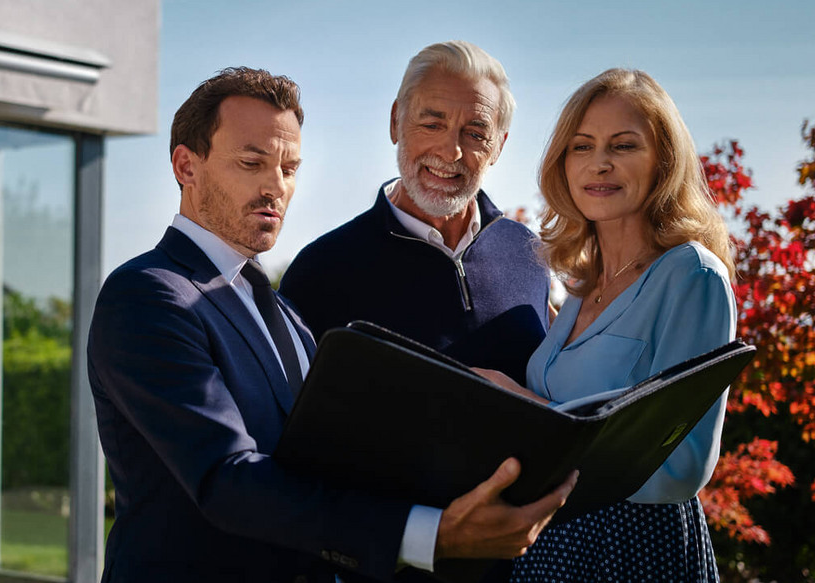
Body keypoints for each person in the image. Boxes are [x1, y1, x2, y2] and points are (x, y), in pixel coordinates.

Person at [87, 66, 577, 582]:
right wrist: (433, 535)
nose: (275, 187)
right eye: (252, 162)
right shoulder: (148, 296)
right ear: (186, 166)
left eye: (289, 168)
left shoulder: (281, 311)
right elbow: (226, 480)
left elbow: (332, 457)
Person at [474, 68, 735, 582]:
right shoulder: (579, 285)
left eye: (623, 145)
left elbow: (680, 469)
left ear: (663, 161)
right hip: (550, 548)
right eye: (582, 146)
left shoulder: (692, 275)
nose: (600, 163)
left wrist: (523, 405)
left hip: (635, 552)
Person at [280, 41, 550, 386]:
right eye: (432, 124)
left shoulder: (530, 254)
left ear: (498, 146)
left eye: (475, 133)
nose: (451, 151)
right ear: (395, 122)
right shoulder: (319, 271)